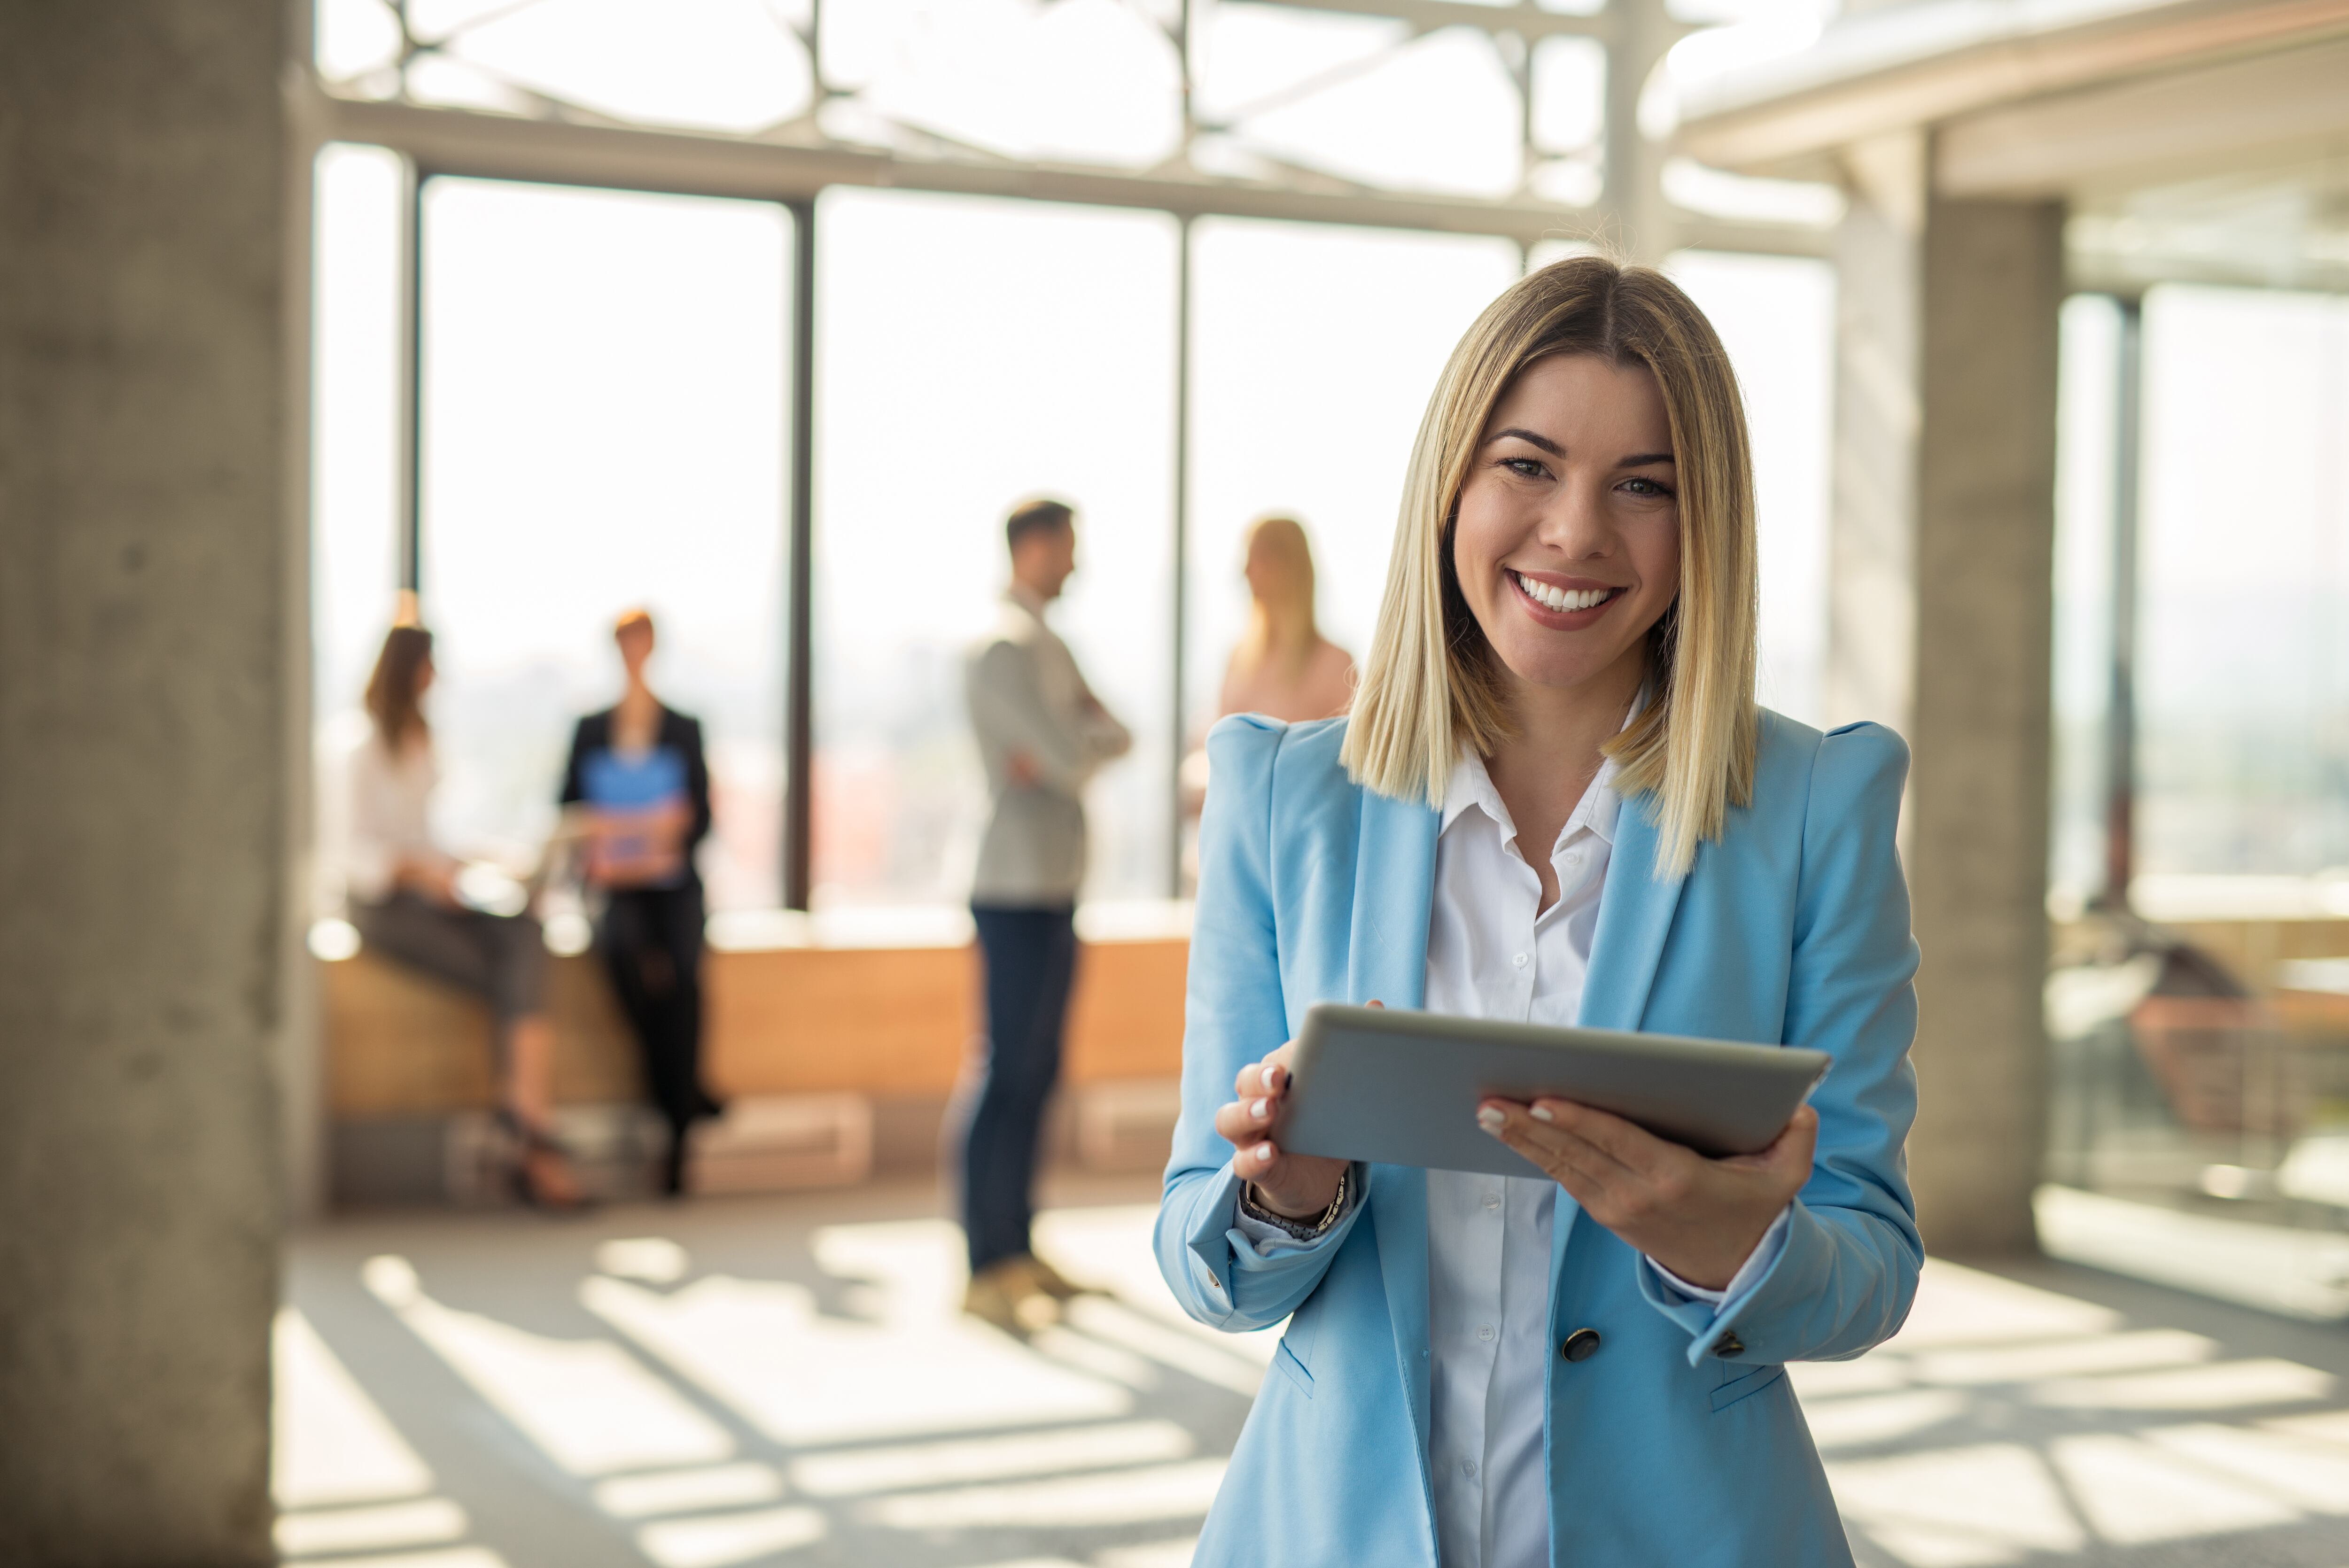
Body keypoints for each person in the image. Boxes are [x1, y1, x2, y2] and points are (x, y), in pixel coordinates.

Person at [1155, 256, 1920, 1565]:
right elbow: (1197, 1253)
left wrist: (1728, 1248)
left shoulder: (1814, 807)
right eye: (1527, 464)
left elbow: (1872, 1261)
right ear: (1451, 482)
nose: (1575, 531)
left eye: (1645, 486)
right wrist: (1287, 1197)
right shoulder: (1283, 798)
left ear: (1707, 524)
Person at [961, 497, 1132, 1329]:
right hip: (1012, 885)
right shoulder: (1002, 645)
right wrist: (1074, 740)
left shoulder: (1049, 642)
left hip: (1057, 881)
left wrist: (1074, 744)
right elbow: (1073, 753)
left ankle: (1019, 1246)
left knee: (1038, 1071)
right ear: (1033, 547)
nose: (1076, 564)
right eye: (1067, 548)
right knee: (1003, 1070)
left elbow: (1112, 736)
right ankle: (982, 1262)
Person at [346, 622, 583, 1209]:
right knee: (513, 971)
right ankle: (531, 1133)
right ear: (408, 670)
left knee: (526, 929)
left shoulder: (423, 741)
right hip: (382, 906)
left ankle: (524, 1118)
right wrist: (422, 872)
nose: (437, 679)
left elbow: (427, 837)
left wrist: (491, 859)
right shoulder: (356, 748)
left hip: (433, 893)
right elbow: (355, 857)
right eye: (430, 666)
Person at [559, 609, 721, 1198]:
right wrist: (613, 830)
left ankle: (678, 1137)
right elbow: (568, 810)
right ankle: (682, 1091)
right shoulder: (590, 727)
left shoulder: (683, 726)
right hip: (614, 884)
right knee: (624, 957)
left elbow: (702, 818)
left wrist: (668, 830)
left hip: (671, 880)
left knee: (684, 974)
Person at [1216, 514, 1355, 724]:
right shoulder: (1239, 660)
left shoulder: (1337, 666)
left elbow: (1354, 753)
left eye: (1259, 557)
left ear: (1290, 567)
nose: (1246, 571)